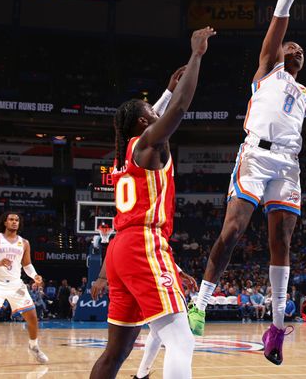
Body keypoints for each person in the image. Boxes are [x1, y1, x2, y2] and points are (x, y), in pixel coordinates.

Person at [190, 0, 306, 367]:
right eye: (289, 45)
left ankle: (276, 326)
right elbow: (282, 11)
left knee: (282, 242)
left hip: (288, 165)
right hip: (255, 156)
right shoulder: (266, 72)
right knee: (234, 231)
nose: (295, 47)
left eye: (300, 49)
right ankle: (200, 302)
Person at [88, 27, 215, 379]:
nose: (157, 114)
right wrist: (196, 57)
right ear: (145, 122)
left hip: (121, 249)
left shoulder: (125, 154)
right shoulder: (147, 145)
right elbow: (177, 110)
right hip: (143, 243)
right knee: (182, 342)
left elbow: (156, 111)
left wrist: (166, 89)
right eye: (151, 113)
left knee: (116, 353)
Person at [0, 212, 48, 369]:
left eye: (17, 220)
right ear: (5, 222)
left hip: (16, 285)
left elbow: (27, 265)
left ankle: (33, 346)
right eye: (11, 220)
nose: (14, 222)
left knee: (33, 318)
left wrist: (35, 276)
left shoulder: (24, 243)